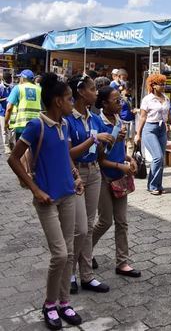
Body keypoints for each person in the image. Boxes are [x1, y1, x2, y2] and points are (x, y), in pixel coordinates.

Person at [7, 73, 85, 330]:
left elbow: (64, 157)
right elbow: (13, 159)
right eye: (68, 98)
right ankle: (50, 304)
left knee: (70, 251)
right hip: (47, 200)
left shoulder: (63, 124)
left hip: (68, 195)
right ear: (56, 101)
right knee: (60, 254)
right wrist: (35, 190)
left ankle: (64, 302)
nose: (72, 102)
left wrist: (75, 177)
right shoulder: (36, 126)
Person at [66, 75, 115, 295]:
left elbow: (101, 152)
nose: (96, 93)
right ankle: (69, 274)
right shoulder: (68, 119)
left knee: (87, 225)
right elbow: (67, 153)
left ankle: (86, 275)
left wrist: (112, 140)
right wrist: (94, 140)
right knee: (77, 228)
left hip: (94, 171)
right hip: (74, 173)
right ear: (80, 92)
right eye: (93, 89)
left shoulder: (94, 119)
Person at [92, 86, 141, 278]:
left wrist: (130, 159)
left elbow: (120, 150)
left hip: (120, 177)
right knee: (105, 221)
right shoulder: (97, 122)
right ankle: (84, 251)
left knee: (122, 221)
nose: (120, 103)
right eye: (115, 100)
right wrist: (121, 166)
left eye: (120, 100)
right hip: (103, 177)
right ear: (104, 103)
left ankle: (122, 263)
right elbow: (99, 158)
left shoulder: (119, 119)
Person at [134, 73, 171, 195]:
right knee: (157, 157)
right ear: (153, 85)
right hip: (150, 129)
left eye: (164, 84)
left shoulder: (166, 98)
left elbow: (169, 115)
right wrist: (138, 134)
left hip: (162, 129)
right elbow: (142, 117)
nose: (164, 86)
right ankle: (152, 185)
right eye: (161, 84)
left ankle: (157, 184)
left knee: (160, 159)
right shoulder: (147, 99)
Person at [4, 69, 42, 141]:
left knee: (21, 150)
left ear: (22, 78)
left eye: (20, 77)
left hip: (21, 126)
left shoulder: (18, 88)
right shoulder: (39, 89)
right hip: (36, 124)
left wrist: (6, 123)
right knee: (33, 150)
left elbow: (9, 108)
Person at [119, 84, 137, 157]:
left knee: (130, 142)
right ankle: (122, 157)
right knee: (122, 141)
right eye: (127, 89)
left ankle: (129, 159)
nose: (128, 91)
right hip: (122, 121)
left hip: (130, 121)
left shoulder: (129, 99)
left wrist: (133, 111)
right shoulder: (119, 99)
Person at [0, 70, 12, 154]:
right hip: (2, 112)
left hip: (11, 112)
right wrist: (6, 99)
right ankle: (6, 147)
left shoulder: (12, 87)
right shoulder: (0, 87)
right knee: (4, 130)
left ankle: (11, 143)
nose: (10, 80)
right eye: (9, 79)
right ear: (4, 79)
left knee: (11, 130)